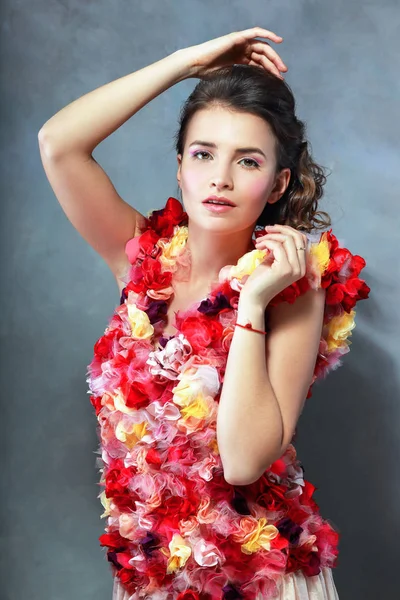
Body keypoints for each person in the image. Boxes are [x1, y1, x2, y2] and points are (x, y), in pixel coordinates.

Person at [39, 27, 370, 600]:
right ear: (179, 167)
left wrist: (254, 303)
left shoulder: (296, 285)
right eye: (203, 153)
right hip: (152, 578)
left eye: (248, 161)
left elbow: (243, 461)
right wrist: (188, 63)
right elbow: (57, 143)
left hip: (259, 580)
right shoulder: (138, 256)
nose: (220, 177)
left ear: (278, 183)